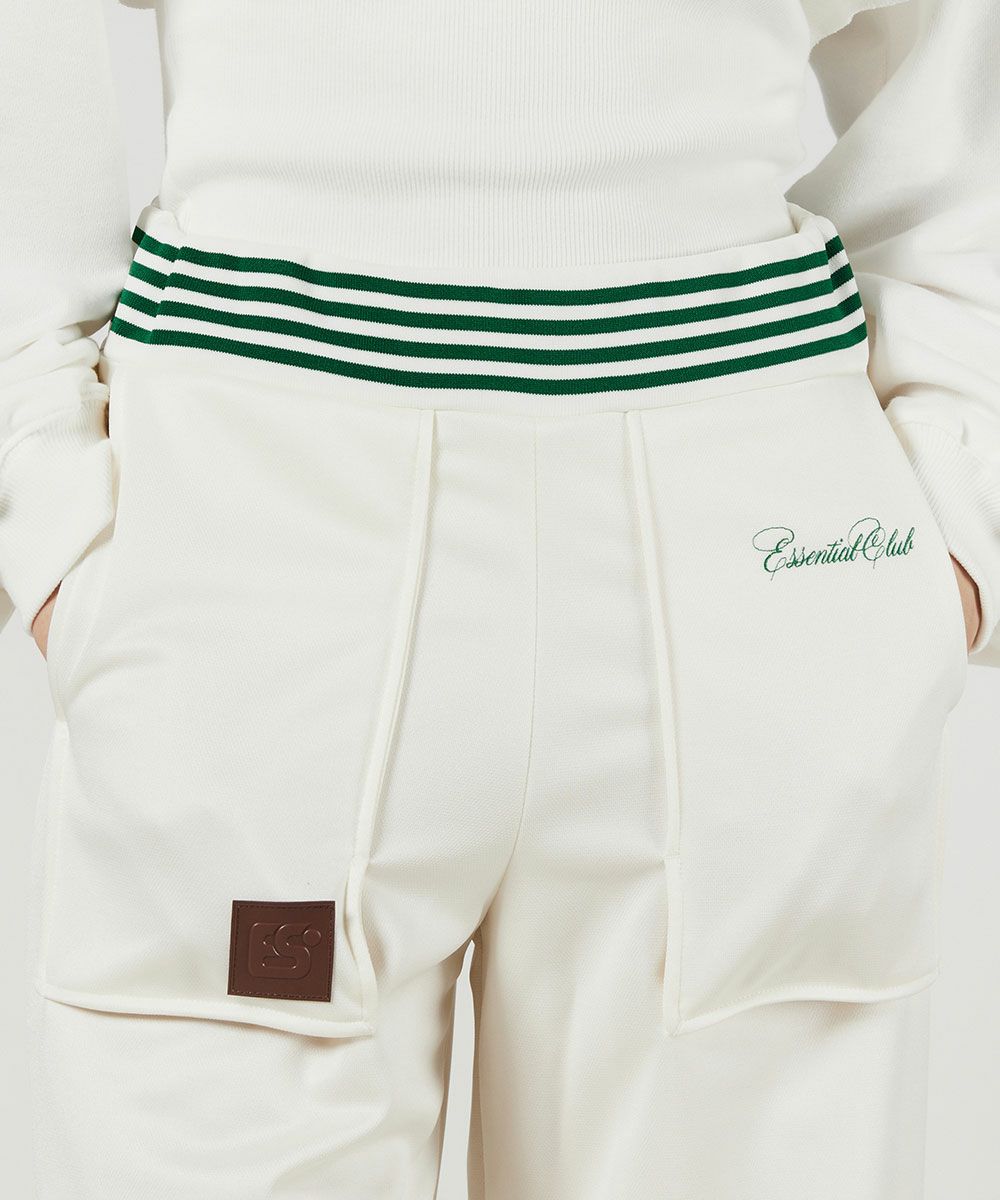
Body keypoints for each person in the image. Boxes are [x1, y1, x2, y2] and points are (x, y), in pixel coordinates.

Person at [1, 1, 996, 1196]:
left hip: (749, 535)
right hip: (253, 520)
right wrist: (44, 496)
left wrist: (957, 512)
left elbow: (958, 73)